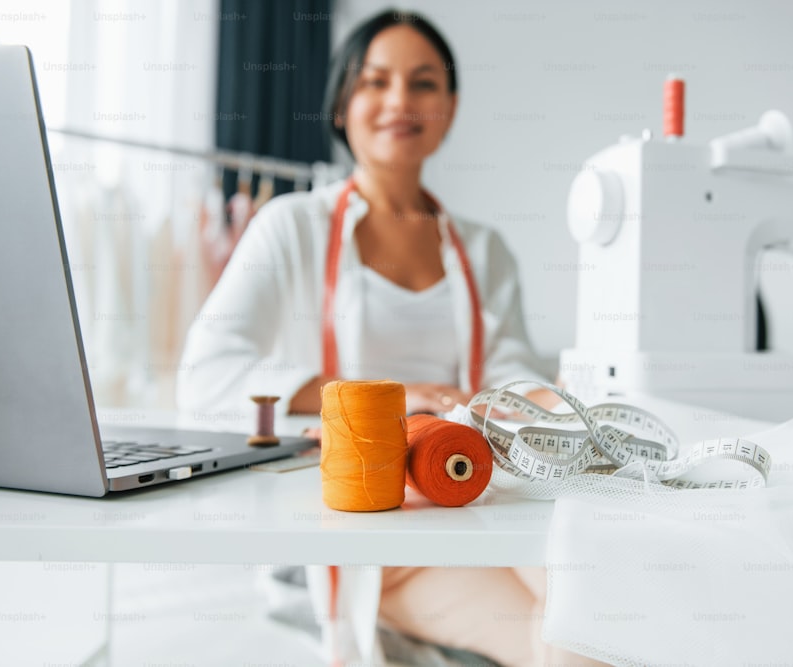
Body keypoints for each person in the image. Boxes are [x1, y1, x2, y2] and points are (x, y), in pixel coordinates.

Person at [177, 9, 607, 667]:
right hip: (364, 526)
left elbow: (515, 375)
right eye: (376, 82)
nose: (401, 100)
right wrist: (390, 399)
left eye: (424, 83)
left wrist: (546, 405)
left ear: (451, 106)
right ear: (343, 103)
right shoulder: (287, 228)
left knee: (602, 607)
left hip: (475, 495)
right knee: (572, 642)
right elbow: (207, 371)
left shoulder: (486, 250)